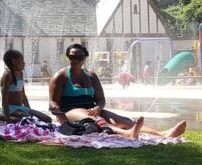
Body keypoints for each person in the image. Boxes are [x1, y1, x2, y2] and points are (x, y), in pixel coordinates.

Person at [49, 44, 186, 139]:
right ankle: (127, 134)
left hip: (93, 109)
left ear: (85, 58)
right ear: (68, 57)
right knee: (95, 119)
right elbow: (53, 102)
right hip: (70, 111)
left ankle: (163, 134)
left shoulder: (91, 76)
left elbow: (101, 99)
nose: (76, 60)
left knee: (122, 119)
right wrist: (55, 108)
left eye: (80, 57)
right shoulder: (61, 76)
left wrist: (98, 107)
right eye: (73, 57)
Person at [0, 49, 52, 123]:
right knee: (27, 120)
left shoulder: (20, 74)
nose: (24, 63)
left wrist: (29, 110)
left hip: (21, 108)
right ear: (14, 61)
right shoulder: (8, 74)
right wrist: (8, 119)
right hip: (10, 108)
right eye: (22, 61)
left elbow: (23, 95)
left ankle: (16, 117)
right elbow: (5, 98)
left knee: (47, 119)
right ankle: (2, 116)